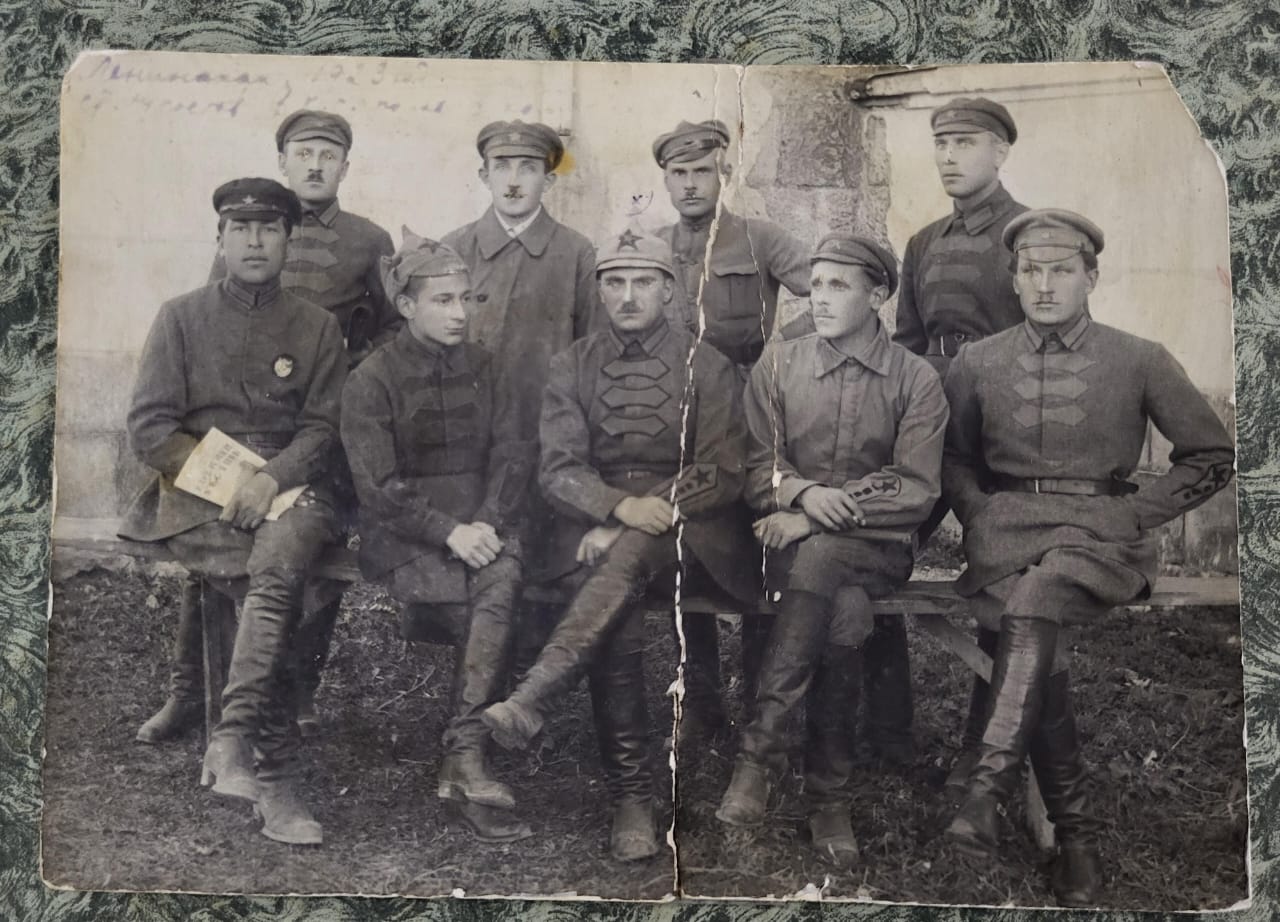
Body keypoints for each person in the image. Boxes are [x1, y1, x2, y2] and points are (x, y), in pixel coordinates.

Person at [941, 209, 1235, 906]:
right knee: (1036, 629)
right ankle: (1077, 840)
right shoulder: (977, 361)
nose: (1045, 285)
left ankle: (985, 790)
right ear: (1015, 280)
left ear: (1091, 278)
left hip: (1103, 536)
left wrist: (1136, 513)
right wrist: (979, 512)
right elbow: (954, 457)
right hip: (1008, 533)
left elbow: (1211, 454)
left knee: (1035, 599)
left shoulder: (1140, 357)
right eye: (1032, 271)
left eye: (1062, 270)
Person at [480, 225, 757, 861]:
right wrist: (614, 506)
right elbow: (558, 468)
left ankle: (537, 694)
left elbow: (721, 468)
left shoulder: (708, 364)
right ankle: (632, 797)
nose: (628, 296)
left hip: (695, 535)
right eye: (614, 283)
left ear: (669, 290)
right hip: (599, 529)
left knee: (622, 556)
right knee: (617, 602)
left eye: (642, 282)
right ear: (600, 291)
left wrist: (635, 516)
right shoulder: (572, 365)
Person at [136, 109, 396, 745]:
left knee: (306, 555)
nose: (315, 165)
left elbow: (391, 329)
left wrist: (350, 372)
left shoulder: (368, 240)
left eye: (327, 155)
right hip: (228, 447)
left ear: (345, 165)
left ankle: (294, 690)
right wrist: (231, 467)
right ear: (284, 161)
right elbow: (213, 341)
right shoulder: (196, 301)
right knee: (224, 557)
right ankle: (190, 692)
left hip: (313, 431)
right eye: (303, 153)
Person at [120, 178, 347, 845]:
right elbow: (150, 428)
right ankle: (275, 778)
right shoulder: (181, 317)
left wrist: (272, 478)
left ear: (287, 241)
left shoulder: (316, 325)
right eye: (240, 229)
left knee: (271, 573)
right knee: (265, 587)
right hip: (198, 495)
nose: (255, 241)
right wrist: (233, 484)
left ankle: (233, 740)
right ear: (219, 239)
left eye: (269, 229)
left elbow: (323, 428)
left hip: (294, 486)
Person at [715, 235, 948, 866]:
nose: (819, 298)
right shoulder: (779, 365)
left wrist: (816, 515)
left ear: (878, 296)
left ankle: (758, 756)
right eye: (815, 284)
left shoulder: (916, 378)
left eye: (838, 286)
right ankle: (828, 798)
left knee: (823, 558)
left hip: (878, 547)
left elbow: (915, 485)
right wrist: (802, 494)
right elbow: (756, 462)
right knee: (843, 612)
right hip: (793, 549)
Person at [340, 230, 534, 844]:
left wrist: (489, 522)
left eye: (466, 299)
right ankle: (467, 757)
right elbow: (378, 487)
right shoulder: (371, 379)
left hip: (484, 526)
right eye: (443, 301)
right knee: (488, 606)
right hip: (407, 534)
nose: (459, 313)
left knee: (500, 579)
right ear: (405, 306)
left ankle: (462, 757)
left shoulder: (487, 367)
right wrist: (450, 532)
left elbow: (512, 454)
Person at [652, 117, 811, 741]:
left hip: (750, 407)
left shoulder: (761, 239)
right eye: (678, 173)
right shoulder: (655, 247)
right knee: (690, 542)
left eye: (702, 171)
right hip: (678, 413)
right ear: (665, 179)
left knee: (759, 543)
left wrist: (782, 351)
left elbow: (826, 286)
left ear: (722, 175)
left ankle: (761, 696)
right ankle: (701, 699)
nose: (691, 184)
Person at [890, 96, 1031, 773]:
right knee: (878, 550)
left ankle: (988, 746)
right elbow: (907, 342)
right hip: (930, 420)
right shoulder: (923, 242)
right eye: (941, 144)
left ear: (1000, 151)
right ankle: (886, 731)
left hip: (1000, 424)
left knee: (1003, 576)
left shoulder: (1028, 234)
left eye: (966, 143)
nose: (949, 156)